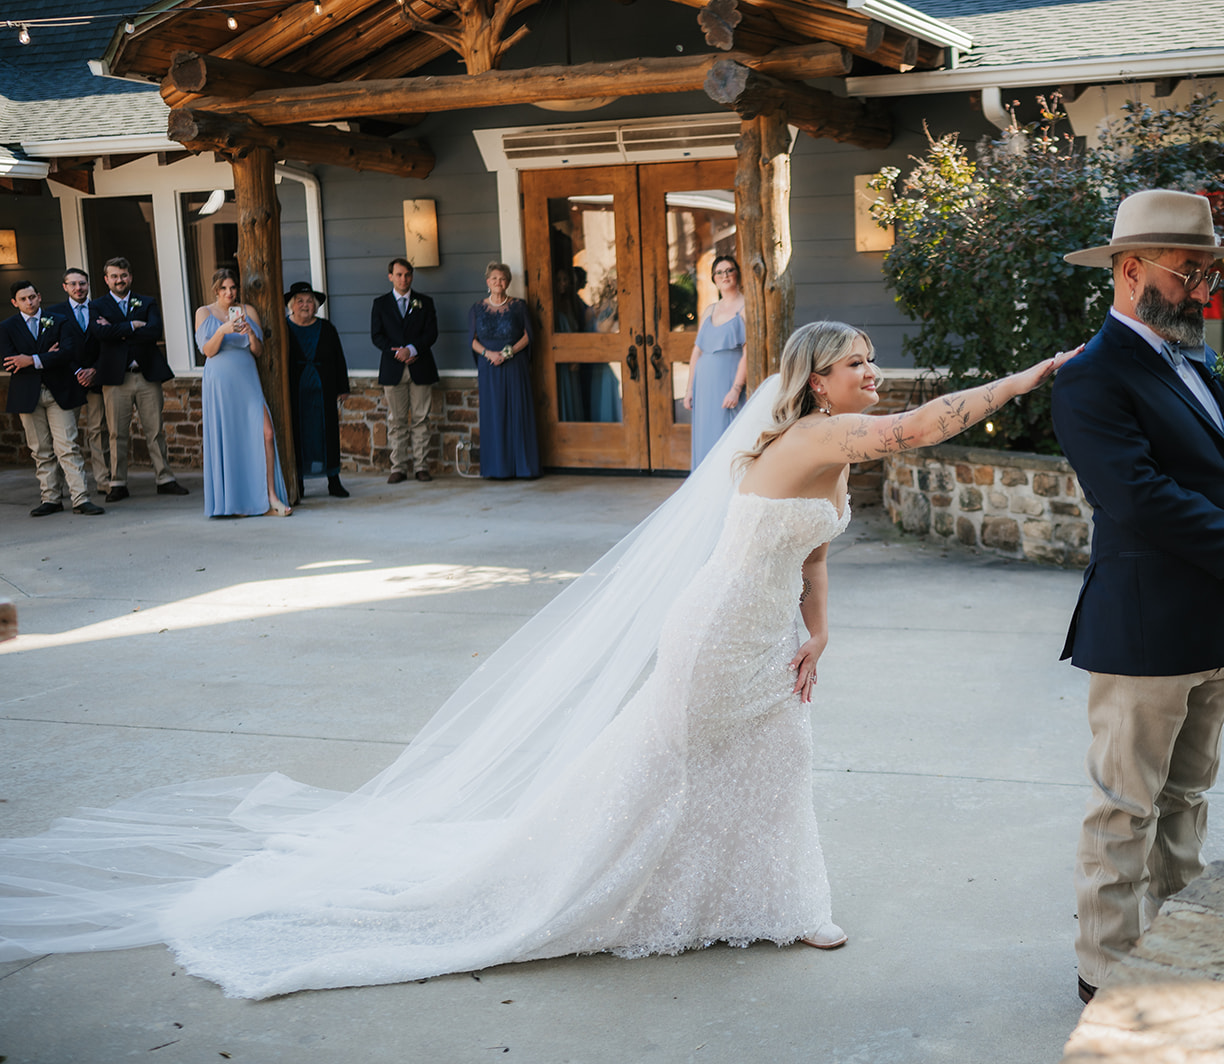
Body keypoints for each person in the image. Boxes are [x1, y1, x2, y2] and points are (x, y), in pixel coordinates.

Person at [0, 321, 1068, 1000]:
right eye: (855, 365)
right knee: (664, 769)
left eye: (872, 362)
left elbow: (814, 544)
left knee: (775, 765)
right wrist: (1029, 371)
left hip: (765, 632)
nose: (871, 376)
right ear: (814, 382)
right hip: (710, 634)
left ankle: (776, 902)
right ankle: (588, 888)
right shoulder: (809, 439)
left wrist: (819, 628)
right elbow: (926, 425)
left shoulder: (820, 452)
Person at [1054, 189, 1224, 1005]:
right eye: (1191, 271)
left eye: (1210, 272)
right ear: (1132, 271)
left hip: (1216, 624)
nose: (1207, 289)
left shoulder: (1197, 360)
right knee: (1125, 808)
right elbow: (1138, 495)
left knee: (1187, 798)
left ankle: (1178, 934)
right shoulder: (1090, 377)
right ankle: (1108, 967)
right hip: (1142, 629)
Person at [2, 280, 105, 517]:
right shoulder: (7, 327)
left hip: (60, 391)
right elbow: (7, 362)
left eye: (32, 297)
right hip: (28, 395)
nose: (29, 302)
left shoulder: (59, 321)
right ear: (14, 302)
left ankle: (81, 499)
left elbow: (68, 353)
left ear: (39, 296)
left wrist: (31, 360)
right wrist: (47, 356)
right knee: (40, 450)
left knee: (67, 446)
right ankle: (51, 498)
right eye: (23, 299)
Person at [88, 257, 188, 501]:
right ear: (106, 280)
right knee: (116, 433)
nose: (119, 280)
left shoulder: (147, 301)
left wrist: (117, 330)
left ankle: (164, 478)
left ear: (130, 277)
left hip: (146, 376)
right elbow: (100, 333)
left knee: (155, 430)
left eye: (123, 275)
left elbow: (154, 331)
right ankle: (118, 482)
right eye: (114, 276)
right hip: (116, 379)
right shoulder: (97, 306)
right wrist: (132, 325)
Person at [196, 268, 291, 518]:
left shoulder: (248, 311)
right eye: (224, 288)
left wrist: (249, 333)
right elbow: (208, 351)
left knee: (266, 434)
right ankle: (235, 503)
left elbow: (258, 351)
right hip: (220, 381)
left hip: (247, 379)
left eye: (233, 287)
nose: (230, 292)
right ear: (216, 290)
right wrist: (222, 330)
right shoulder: (204, 312)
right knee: (230, 439)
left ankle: (271, 496)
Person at [468, 263, 540, 479]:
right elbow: (471, 340)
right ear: (487, 281)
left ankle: (523, 467)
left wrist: (509, 352)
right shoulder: (477, 308)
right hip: (489, 367)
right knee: (494, 414)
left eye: (502, 279)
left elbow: (529, 335)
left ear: (508, 282)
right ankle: (497, 468)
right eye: (494, 278)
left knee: (518, 412)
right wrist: (488, 354)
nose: (498, 282)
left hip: (514, 365)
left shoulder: (519, 306)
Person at [371, 258, 439, 484]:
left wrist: (411, 349)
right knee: (396, 420)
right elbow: (377, 336)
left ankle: (421, 466)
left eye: (407, 275)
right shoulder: (380, 303)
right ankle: (398, 467)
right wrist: (397, 353)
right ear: (390, 276)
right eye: (399, 275)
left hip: (420, 366)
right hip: (393, 368)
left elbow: (432, 333)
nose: (404, 279)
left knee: (421, 419)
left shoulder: (425, 302)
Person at [284, 282, 351, 498]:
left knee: (328, 435)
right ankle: (299, 482)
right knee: (297, 436)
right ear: (292, 306)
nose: (305, 305)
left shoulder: (327, 328)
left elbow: (339, 359)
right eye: (300, 301)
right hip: (294, 395)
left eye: (310, 301)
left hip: (324, 392)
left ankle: (334, 480)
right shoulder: (283, 328)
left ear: (316, 305)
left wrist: (343, 387)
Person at [48, 268, 110, 495]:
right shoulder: (54, 313)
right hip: (67, 379)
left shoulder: (100, 309)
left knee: (98, 431)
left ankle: (104, 481)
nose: (78, 288)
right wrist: (76, 371)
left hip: (96, 379)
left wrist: (94, 369)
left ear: (88, 285)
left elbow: (109, 345)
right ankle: (62, 485)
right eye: (73, 284)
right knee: (65, 436)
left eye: (82, 283)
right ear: (64, 287)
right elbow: (53, 349)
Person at [685, 255, 747, 469]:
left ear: (737, 274)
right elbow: (697, 352)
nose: (725, 275)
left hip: (728, 383)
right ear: (714, 278)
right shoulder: (709, 310)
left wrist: (736, 389)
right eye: (719, 272)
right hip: (704, 386)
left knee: (727, 435)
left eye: (729, 270)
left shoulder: (746, 307)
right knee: (706, 434)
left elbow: (748, 353)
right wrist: (689, 389)